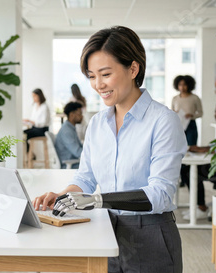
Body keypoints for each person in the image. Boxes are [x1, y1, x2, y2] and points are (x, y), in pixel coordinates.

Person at [33, 26, 187, 272]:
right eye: (92, 76)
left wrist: (95, 200)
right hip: (105, 229)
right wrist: (63, 196)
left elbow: (161, 194)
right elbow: (86, 176)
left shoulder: (163, 121)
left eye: (105, 74)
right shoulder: (97, 123)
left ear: (133, 69)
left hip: (151, 235)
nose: (98, 85)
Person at [181, 101, 216, 220]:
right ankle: (198, 205)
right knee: (185, 169)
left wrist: (199, 149)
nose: (215, 115)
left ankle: (201, 207)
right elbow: (215, 147)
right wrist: (199, 149)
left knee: (192, 171)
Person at [172, 75, 203, 146]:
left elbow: (200, 113)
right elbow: (172, 111)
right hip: (178, 124)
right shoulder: (175, 99)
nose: (182, 87)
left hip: (190, 124)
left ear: (189, 85)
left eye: (184, 85)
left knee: (191, 146)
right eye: (180, 85)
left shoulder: (195, 98)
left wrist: (192, 115)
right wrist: (174, 112)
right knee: (177, 145)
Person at [55, 102, 84, 169]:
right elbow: (77, 152)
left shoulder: (70, 128)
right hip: (71, 165)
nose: (82, 116)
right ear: (71, 115)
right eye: (80, 114)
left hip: (75, 162)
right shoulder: (67, 131)